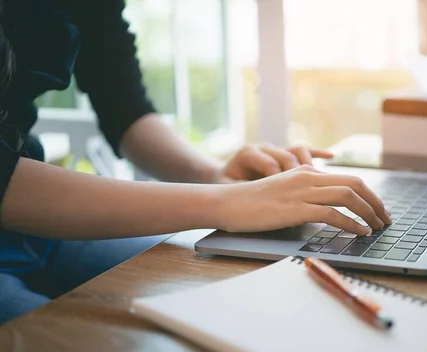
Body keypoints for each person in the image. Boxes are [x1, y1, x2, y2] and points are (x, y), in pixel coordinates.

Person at [0, 0, 390, 324]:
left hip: (44, 235)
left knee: (244, 301)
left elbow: (127, 111)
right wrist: (230, 202)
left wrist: (214, 175)